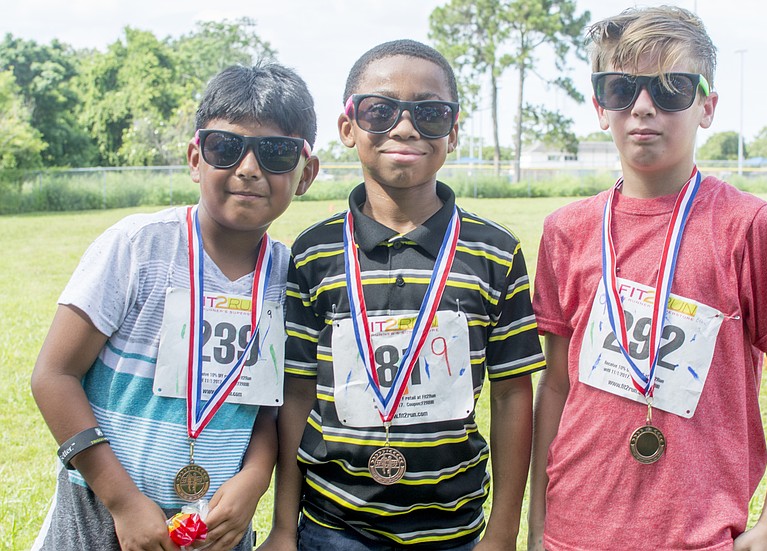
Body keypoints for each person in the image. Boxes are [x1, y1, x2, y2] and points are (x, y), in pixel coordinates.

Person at [527, 6, 767, 551]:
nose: (642, 107)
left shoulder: (746, 225)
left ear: (707, 106)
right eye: (621, 88)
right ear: (598, 105)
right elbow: (557, 384)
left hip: (698, 532)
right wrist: (539, 523)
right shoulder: (566, 230)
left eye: (671, 88)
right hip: (576, 529)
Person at [259, 39, 544, 551]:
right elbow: (297, 393)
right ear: (348, 127)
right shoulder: (313, 253)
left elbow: (510, 394)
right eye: (380, 110)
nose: (406, 127)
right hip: (333, 526)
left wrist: (502, 533)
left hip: (455, 528)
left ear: (453, 133)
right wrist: (283, 527)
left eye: (430, 113)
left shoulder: (496, 253)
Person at [30, 63, 319, 551]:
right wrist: (122, 501)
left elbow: (269, 410)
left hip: (217, 527)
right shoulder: (137, 247)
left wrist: (253, 482)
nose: (248, 168)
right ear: (194, 158)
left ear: (305, 172)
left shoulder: (290, 277)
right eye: (225, 148)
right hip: (99, 512)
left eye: (276, 153)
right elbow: (52, 377)